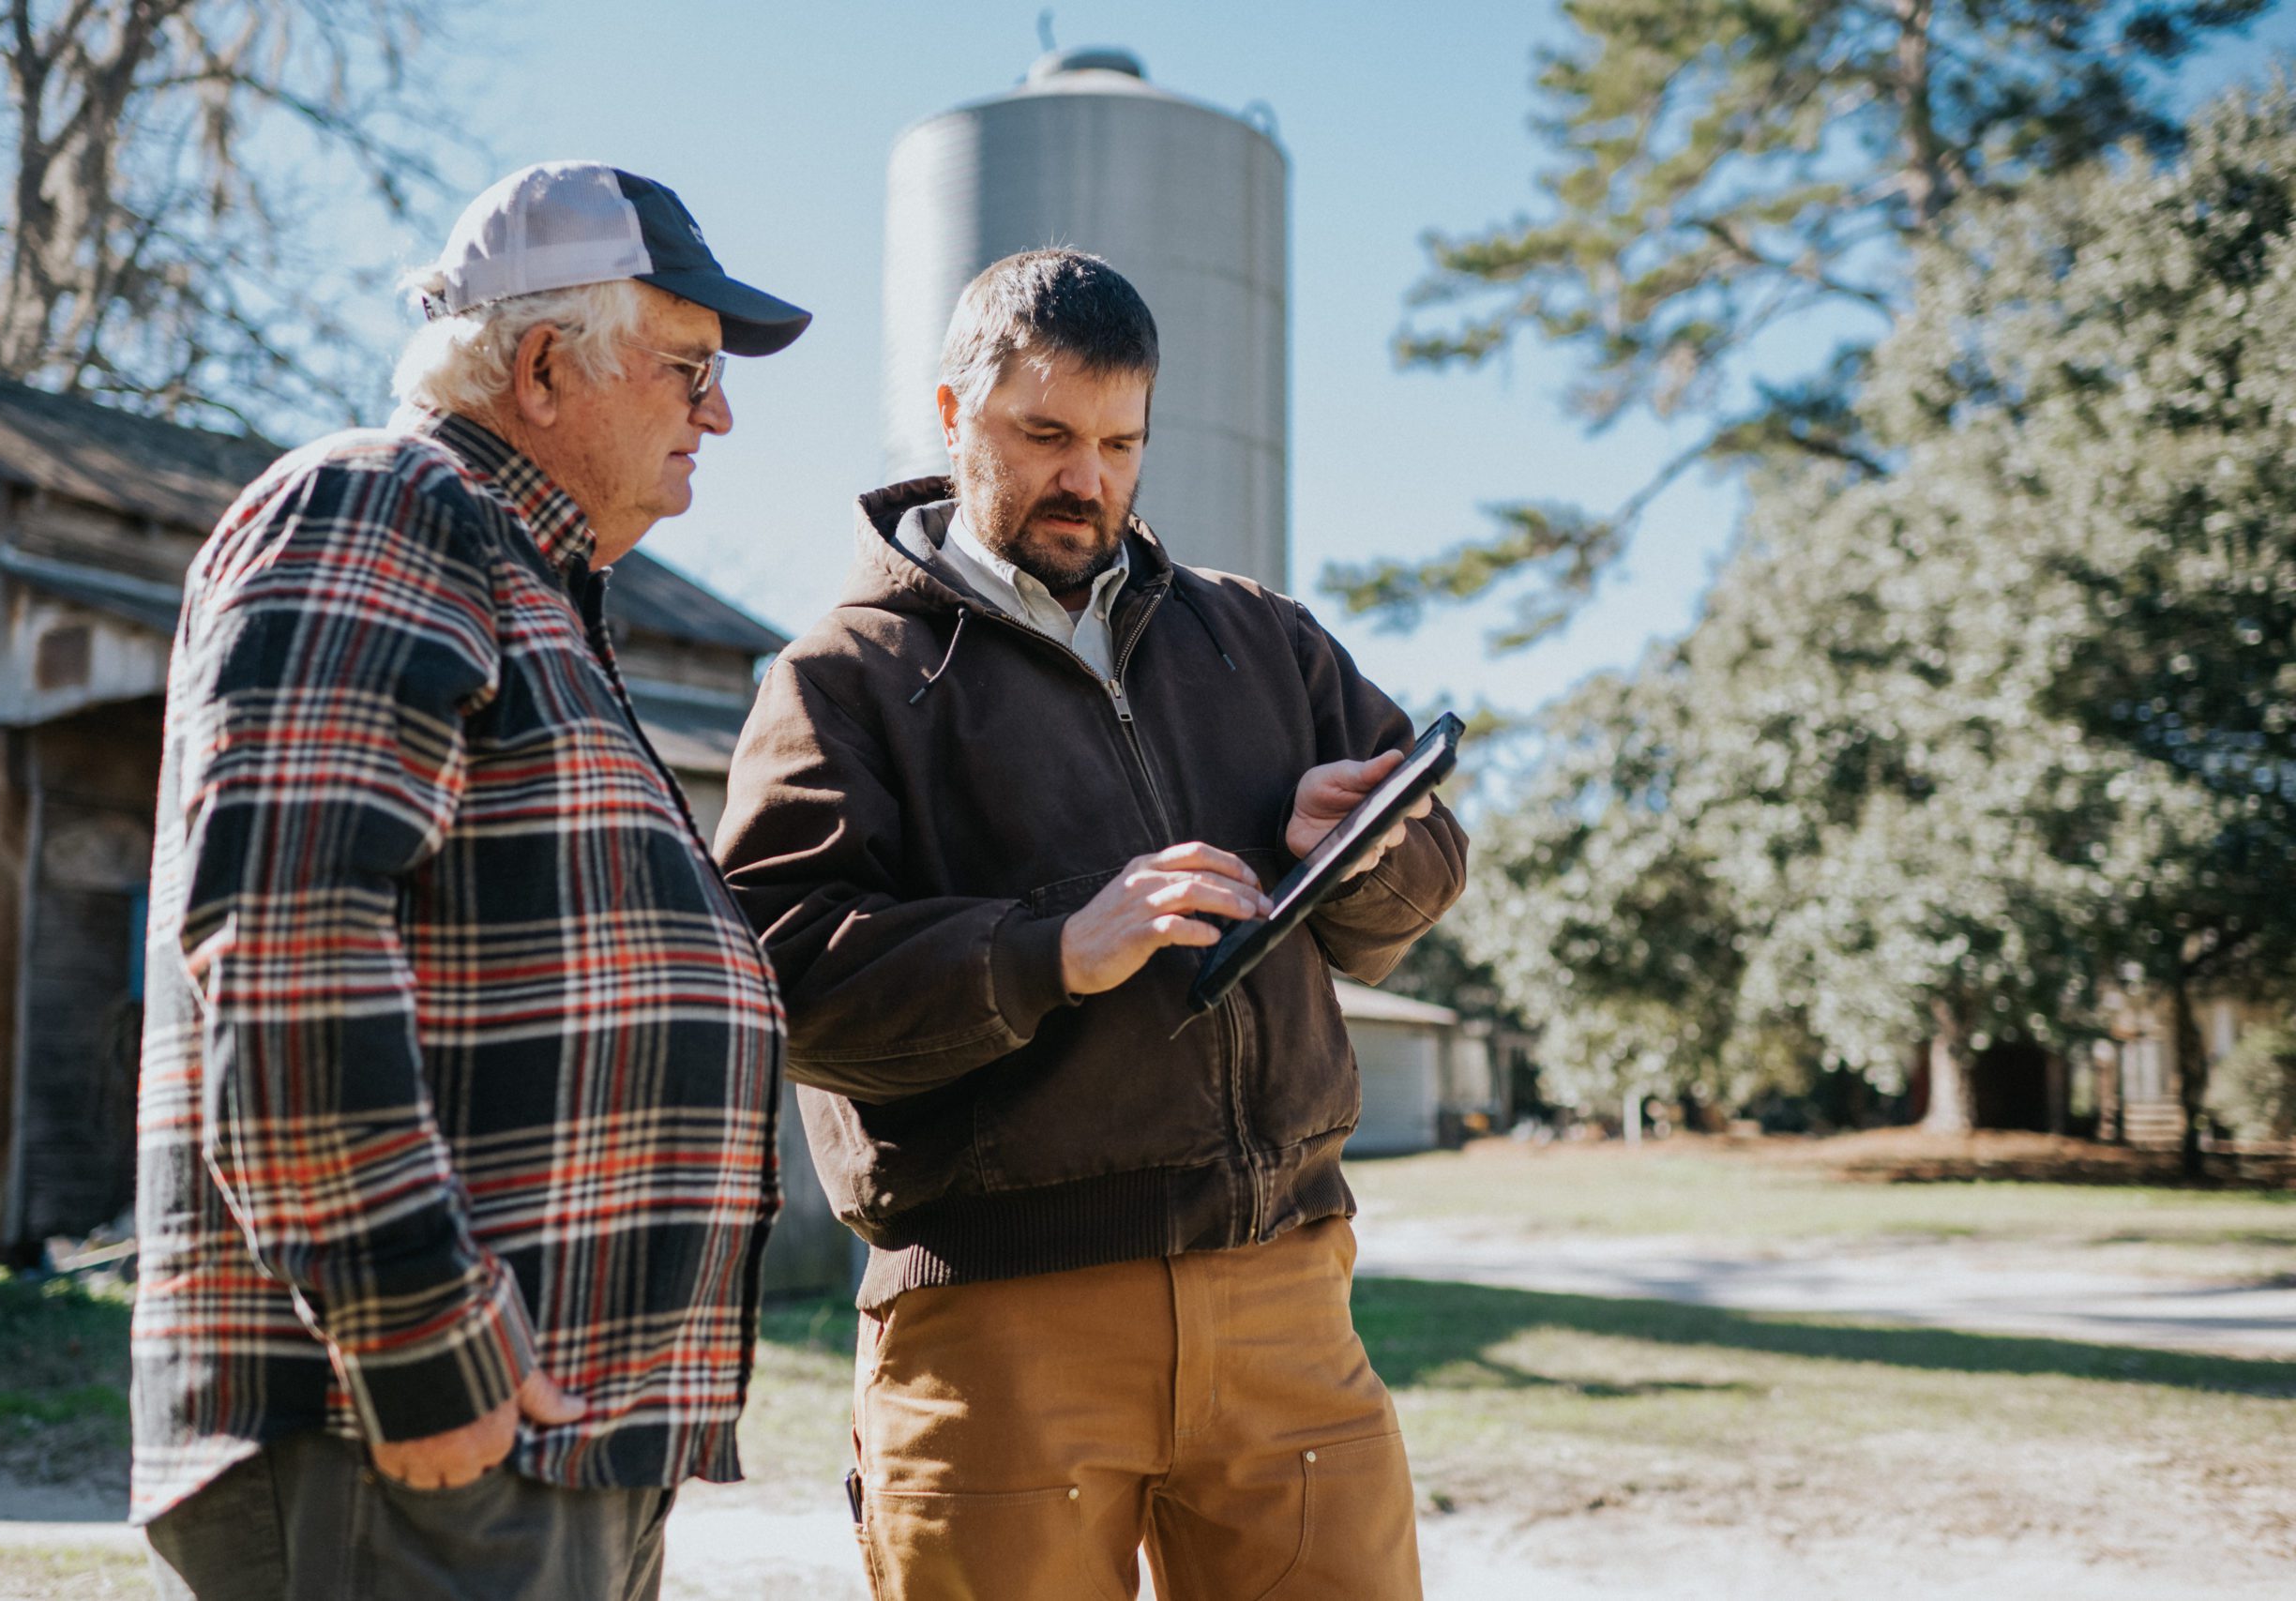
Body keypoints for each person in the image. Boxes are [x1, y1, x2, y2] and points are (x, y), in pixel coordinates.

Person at [716, 249, 1467, 1599]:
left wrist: (1344, 854)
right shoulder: (838, 679)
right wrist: (1051, 949)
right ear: (951, 419)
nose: (1091, 480)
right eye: (1046, 435)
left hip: (1285, 1294)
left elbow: (1416, 890)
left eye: (1122, 442)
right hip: (999, 1326)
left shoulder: (1263, 640)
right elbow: (781, 978)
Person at [131, 161, 808, 1601]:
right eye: (692, 368)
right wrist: (417, 1335)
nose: (723, 412)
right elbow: (289, 933)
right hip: (406, 1441)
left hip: (528, 1452)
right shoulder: (387, 504)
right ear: (550, 365)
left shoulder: (528, 580)